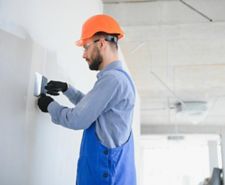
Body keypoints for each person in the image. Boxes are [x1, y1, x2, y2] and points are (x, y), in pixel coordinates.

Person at [37, 14, 136, 185]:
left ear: (101, 43)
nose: (83, 55)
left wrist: (50, 106)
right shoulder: (120, 79)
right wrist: (68, 90)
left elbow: (78, 119)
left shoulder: (112, 80)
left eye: (85, 47)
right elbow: (94, 109)